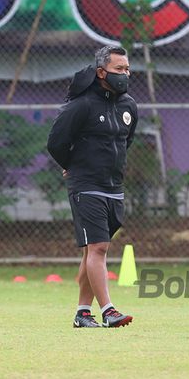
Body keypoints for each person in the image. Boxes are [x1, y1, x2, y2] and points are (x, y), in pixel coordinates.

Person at [47, 46, 138, 328]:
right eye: (118, 69)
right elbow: (56, 143)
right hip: (86, 186)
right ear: (101, 72)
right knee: (99, 247)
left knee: (91, 251)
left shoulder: (129, 106)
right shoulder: (82, 105)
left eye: (127, 69)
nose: (125, 74)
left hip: (114, 186)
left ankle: (82, 313)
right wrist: (71, 165)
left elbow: (126, 141)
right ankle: (109, 311)